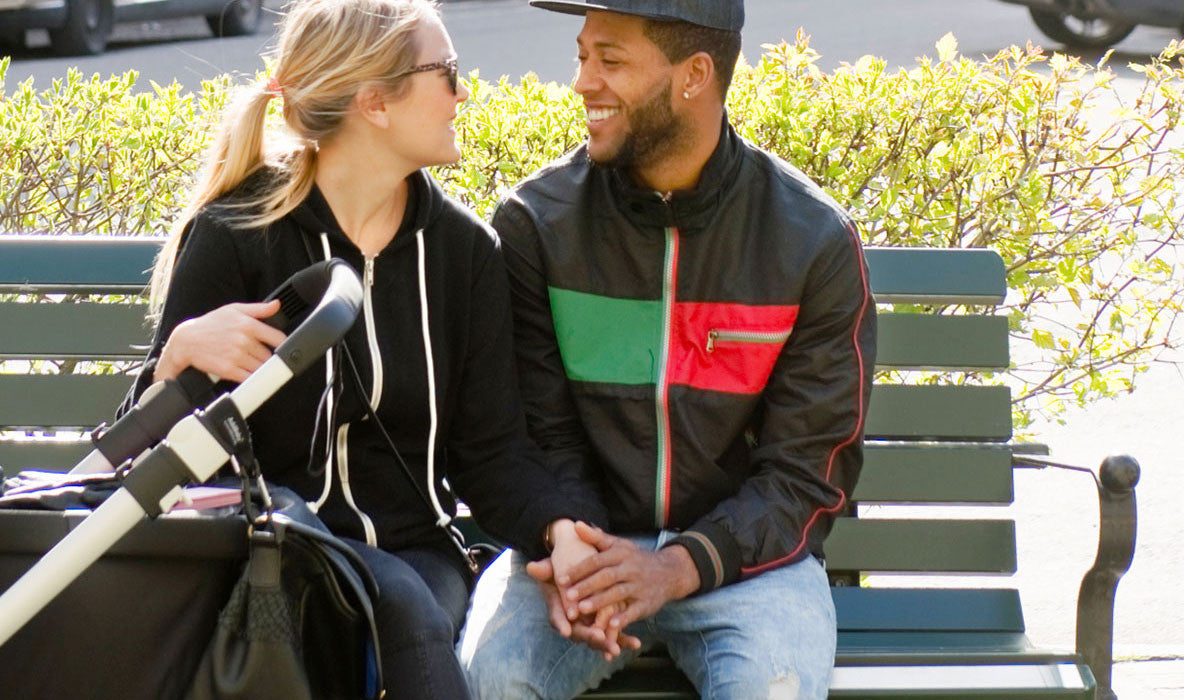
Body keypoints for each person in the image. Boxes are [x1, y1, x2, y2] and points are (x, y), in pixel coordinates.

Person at [122, 0, 609, 696]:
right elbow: (141, 460)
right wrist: (175, 360)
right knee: (371, 610)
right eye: (447, 72)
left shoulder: (464, 253)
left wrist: (559, 529)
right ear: (375, 103)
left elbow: (492, 453)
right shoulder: (238, 236)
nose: (463, 92)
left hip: (415, 559)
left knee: (403, 605)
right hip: (262, 553)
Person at [456, 1, 877, 698]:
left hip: (748, 567)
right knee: (493, 679)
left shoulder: (812, 240)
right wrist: (573, 547)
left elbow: (807, 471)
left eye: (611, 60)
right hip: (588, 549)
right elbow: (539, 434)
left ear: (694, 75)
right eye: (582, 56)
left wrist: (677, 566)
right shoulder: (536, 225)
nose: (583, 82)